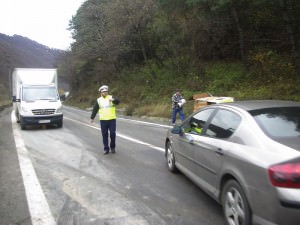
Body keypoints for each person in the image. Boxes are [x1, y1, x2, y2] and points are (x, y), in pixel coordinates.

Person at [90, 85, 120, 155]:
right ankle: (106, 149)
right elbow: (95, 109)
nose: (105, 93)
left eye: (106, 91)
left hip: (112, 119)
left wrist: (114, 100)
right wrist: (92, 118)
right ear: (101, 92)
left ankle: (112, 147)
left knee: (112, 134)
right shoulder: (98, 100)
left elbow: (118, 102)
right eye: (103, 92)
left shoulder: (111, 97)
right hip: (103, 120)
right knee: (104, 135)